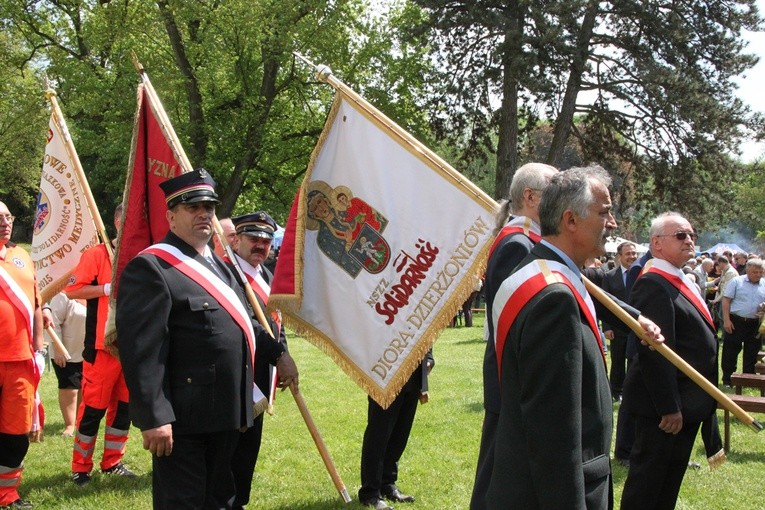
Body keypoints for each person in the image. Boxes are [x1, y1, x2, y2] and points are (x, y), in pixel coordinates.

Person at [116, 169, 298, 509]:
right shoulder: (153, 268)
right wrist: (154, 416)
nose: (204, 214)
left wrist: (278, 354)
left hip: (228, 412)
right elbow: (142, 351)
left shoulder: (221, 266)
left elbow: (246, 322)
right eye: (192, 206)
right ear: (171, 215)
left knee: (220, 500)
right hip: (185, 419)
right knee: (184, 502)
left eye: (210, 207)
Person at [485, 166, 662, 509]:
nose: (612, 223)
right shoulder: (555, 298)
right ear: (570, 220)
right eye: (604, 212)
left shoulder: (541, 273)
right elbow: (554, 433)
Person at [469, 162, 558, 510]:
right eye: (554, 188)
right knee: (496, 472)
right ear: (530, 196)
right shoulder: (517, 244)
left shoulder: (527, 239)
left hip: (513, 374)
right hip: (512, 374)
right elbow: (513, 319)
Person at [620, 213, 718, 510]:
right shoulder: (653, 283)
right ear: (656, 243)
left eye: (691, 234)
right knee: (647, 487)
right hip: (664, 410)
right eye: (680, 235)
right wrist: (669, 407)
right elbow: (655, 351)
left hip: (687, 402)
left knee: (667, 486)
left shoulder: (679, 278)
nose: (689, 240)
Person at [228, 211, 296, 510]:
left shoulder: (266, 275)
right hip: (236, 375)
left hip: (261, 373)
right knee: (229, 449)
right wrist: (279, 355)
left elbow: (274, 324)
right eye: (253, 238)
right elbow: (248, 324)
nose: (260, 245)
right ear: (237, 239)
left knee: (248, 450)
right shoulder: (228, 273)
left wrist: (285, 353)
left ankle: (239, 502)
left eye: (266, 240)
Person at [65, 203, 135, 486]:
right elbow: (72, 289)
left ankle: (113, 462)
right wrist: (105, 289)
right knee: (93, 409)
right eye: (128, 219)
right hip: (101, 348)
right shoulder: (97, 254)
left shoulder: (142, 255)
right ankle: (80, 467)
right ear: (118, 221)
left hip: (131, 349)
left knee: (125, 408)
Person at [0, 202, 45, 509]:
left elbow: (37, 304)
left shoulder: (23, 256)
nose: (5, 222)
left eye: (8, 216)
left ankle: (7, 493)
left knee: (16, 432)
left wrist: (39, 347)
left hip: (20, 359)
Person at [359, 352, 434, 510]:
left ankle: (387, 484)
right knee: (379, 433)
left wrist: (428, 358)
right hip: (386, 368)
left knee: (400, 434)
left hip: (413, 369)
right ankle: (370, 492)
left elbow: (424, 328)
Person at [43, 292, 86, 437]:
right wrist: (58, 349)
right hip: (66, 353)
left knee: (82, 388)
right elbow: (53, 322)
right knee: (70, 388)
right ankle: (69, 425)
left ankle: (78, 421)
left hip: (87, 352)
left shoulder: (94, 294)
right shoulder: (62, 295)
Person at [601, 241, 638, 401]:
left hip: (637, 326)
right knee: (617, 360)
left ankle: (632, 389)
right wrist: (607, 327)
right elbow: (604, 303)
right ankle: (616, 390)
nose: (632, 257)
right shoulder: (609, 276)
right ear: (619, 256)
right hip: (617, 327)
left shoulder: (642, 274)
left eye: (634, 253)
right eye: (628, 254)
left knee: (635, 360)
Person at [720, 258, 765, 386]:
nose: (758, 275)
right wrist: (727, 320)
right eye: (754, 272)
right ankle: (728, 379)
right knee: (731, 351)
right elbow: (726, 300)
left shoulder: (764, 283)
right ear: (747, 270)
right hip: (736, 321)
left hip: (755, 323)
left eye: (760, 272)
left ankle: (748, 379)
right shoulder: (736, 281)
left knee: (752, 352)